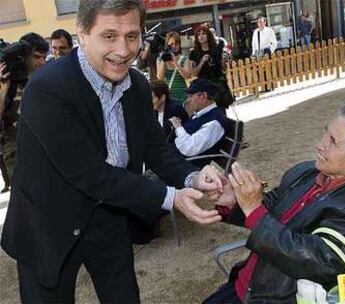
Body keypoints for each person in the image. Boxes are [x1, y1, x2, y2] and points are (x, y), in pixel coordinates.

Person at [1, 1, 224, 302]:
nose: (123, 50)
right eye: (109, 36)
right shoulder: (47, 89)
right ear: (82, 33)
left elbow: (156, 148)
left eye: (132, 36)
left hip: (110, 211)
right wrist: (171, 198)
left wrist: (194, 177)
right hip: (48, 221)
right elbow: (89, 173)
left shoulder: (137, 86)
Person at [204, 103, 345, 303]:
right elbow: (270, 207)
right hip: (252, 283)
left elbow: (319, 262)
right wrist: (234, 201)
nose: (320, 144)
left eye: (333, 141)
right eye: (326, 133)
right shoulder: (308, 172)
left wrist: (253, 208)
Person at [0, 33, 49, 192]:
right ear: (23, 57)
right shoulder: (6, 81)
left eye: (44, 57)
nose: (41, 62)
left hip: (44, 150)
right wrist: (4, 88)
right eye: (36, 57)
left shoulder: (46, 80)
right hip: (16, 152)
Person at [169, 78, 227, 168]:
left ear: (203, 95)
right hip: (175, 162)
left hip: (184, 168)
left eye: (191, 96)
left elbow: (189, 148)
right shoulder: (201, 114)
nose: (188, 100)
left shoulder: (214, 123)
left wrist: (178, 127)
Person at [189, 24, 234, 111]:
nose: (201, 36)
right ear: (197, 38)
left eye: (203, 33)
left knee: (221, 111)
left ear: (208, 35)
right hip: (204, 87)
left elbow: (224, 69)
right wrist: (202, 62)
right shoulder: (194, 53)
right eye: (199, 34)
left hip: (218, 84)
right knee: (208, 112)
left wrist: (222, 61)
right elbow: (193, 73)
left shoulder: (217, 49)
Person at [156, 31, 191, 104]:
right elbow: (160, 78)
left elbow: (187, 76)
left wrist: (176, 62)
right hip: (168, 98)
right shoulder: (160, 59)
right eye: (171, 44)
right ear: (167, 45)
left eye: (176, 44)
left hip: (182, 97)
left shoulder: (184, 59)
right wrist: (164, 60)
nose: (174, 46)